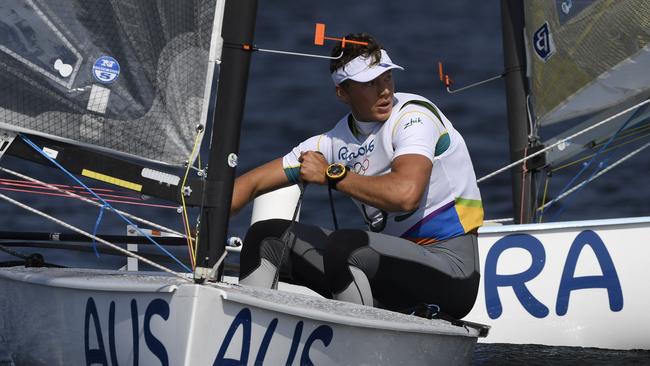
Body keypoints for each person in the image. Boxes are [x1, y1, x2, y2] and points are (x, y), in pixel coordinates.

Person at [232, 33, 483, 319]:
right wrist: (202, 223)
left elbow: (405, 196)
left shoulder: (414, 117)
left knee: (346, 247)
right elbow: (250, 184)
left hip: (451, 269)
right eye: (370, 84)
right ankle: (245, 333)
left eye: (387, 77)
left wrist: (331, 175)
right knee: (266, 236)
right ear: (343, 92)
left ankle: (357, 345)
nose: (385, 90)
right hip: (388, 269)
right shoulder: (330, 143)